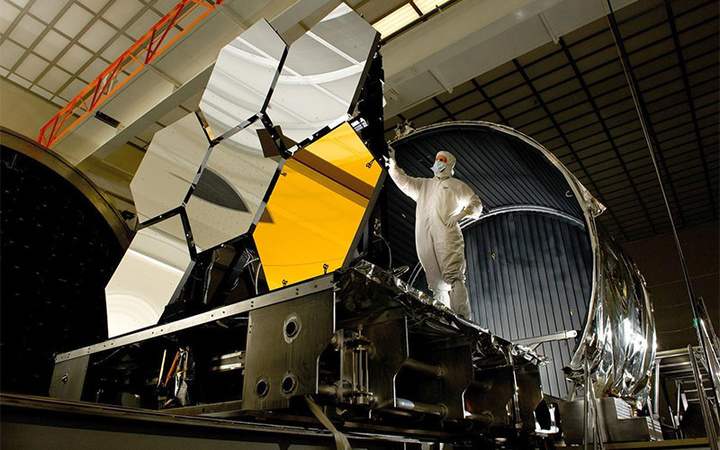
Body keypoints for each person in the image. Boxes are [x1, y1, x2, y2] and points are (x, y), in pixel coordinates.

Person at [386, 146, 483, 320]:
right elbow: (404, 181)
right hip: (425, 235)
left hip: (447, 234)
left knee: (454, 276)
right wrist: (393, 165)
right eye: (437, 159)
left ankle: (463, 318)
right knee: (436, 283)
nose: (438, 163)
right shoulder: (425, 185)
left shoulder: (456, 185)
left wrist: (463, 214)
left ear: (449, 164)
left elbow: (475, 202)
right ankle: (443, 319)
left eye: (442, 160)